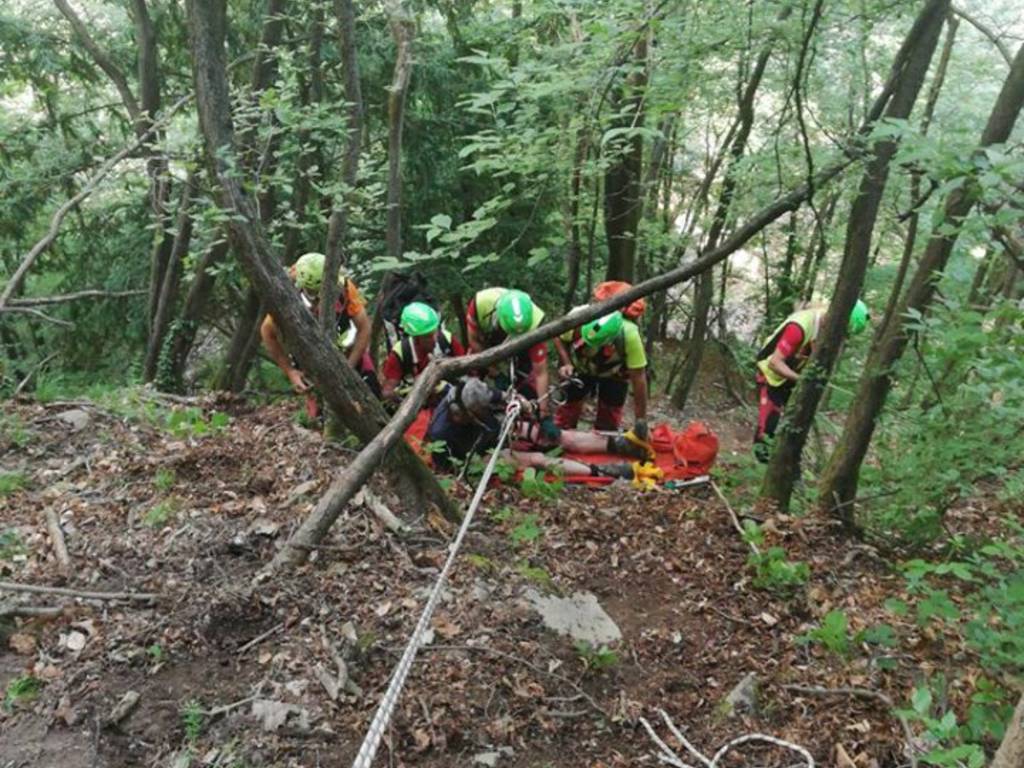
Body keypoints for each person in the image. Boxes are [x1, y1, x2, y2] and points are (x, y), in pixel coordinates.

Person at [425, 377, 650, 478]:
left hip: (496, 428)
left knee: (554, 436)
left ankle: (622, 445)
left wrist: (521, 404)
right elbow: (450, 468)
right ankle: (601, 471)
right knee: (536, 459)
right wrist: (479, 464)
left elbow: (504, 397)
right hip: (477, 453)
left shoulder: (474, 392)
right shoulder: (441, 433)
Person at [753, 299, 870, 462]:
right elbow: (775, 363)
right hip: (769, 374)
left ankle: (785, 461)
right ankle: (760, 464)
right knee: (768, 427)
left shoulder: (824, 330)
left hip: (790, 377)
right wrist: (802, 379)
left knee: (793, 423)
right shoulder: (799, 327)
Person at [260, 252, 381, 409]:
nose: (318, 298)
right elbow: (267, 332)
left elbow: (364, 327)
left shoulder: (345, 288)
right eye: (313, 293)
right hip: (311, 364)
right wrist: (290, 372)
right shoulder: (287, 298)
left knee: (373, 395)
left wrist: (348, 368)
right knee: (321, 412)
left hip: (348, 353)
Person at [465, 287, 557, 441]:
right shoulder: (481, 304)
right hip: (488, 341)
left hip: (524, 341)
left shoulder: (534, 323)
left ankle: (524, 423)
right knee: (473, 379)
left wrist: (544, 413)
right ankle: (475, 423)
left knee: (526, 383)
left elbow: (540, 372)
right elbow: (474, 341)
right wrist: (495, 372)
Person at [553, 310, 649, 442]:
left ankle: (604, 442)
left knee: (610, 417)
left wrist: (641, 421)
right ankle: (558, 436)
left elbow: (639, 379)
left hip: (615, 373)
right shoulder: (577, 319)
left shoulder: (629, 335)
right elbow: (557, 336)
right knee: (568, 406)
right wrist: (566, 363)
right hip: (581, 367)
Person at [380, 302, 465, 404]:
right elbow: (387, 392)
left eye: (435, 332)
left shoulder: (446, 340)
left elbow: (467, 370)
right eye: (427, 336)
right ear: (416, 338)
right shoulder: (401, 353)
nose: (434, 339)